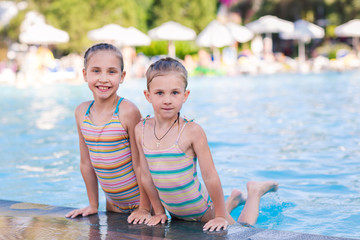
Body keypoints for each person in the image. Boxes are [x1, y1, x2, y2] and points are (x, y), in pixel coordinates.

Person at [135, 57, 278, 231]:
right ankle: (233, 198)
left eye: (175, 92)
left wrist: (218, 216)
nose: (167, 100)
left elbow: (210, 176)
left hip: (203, 210)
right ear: (147, 95)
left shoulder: (192, 131)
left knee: (243, 229)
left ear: (185, 95)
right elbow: (145, 176)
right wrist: (159, 211)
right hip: (176, 213)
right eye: (159, 93)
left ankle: (254, 191)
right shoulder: (141, 130)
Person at [65, 43, 151, 224]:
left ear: (122, 76)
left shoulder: (127, 111)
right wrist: (92, 205)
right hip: (112, 206)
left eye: (111, 72)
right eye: (96, 71)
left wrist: (144, 207)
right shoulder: (81, 112)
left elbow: (141, 165)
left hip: (142, 204)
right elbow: (86, 163)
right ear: (84, 74)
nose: (103, 79)